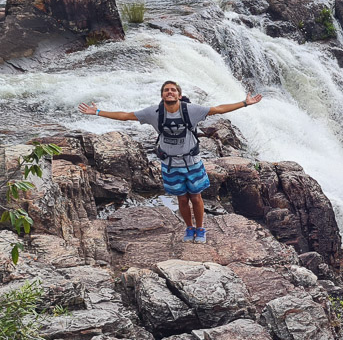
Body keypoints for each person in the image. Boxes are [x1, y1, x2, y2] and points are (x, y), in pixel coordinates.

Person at [78, 81, 262, 243]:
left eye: (173, 90)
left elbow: (219, 109)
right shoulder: (153, 113)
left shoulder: (192, 110)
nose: (170, 92)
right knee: (182, 198)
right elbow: (126, 115)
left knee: (196, 197)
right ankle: (189, 228)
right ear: (162, 95)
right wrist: (98, 112)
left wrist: (246, 103)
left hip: (192, 161)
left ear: (179, 95)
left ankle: (201, 229)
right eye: (166, 90)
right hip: (170, 164)